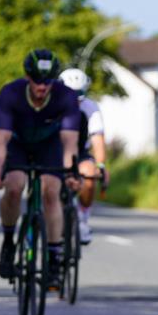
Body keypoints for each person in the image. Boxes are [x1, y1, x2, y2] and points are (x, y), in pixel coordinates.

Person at [0, 49, 79, 289]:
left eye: (47, 81)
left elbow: (69, 143)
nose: (42, 87)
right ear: (28, 78)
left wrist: (71, 173)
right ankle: (8, 243)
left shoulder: (65, 97)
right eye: (37, 81)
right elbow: (0, 141)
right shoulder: (11, 94)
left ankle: (53, 256)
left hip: (48, 146)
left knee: (51, 191)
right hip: (17, 144)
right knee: (14, 186)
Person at [58, 67, 107, 245]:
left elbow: (98, 140)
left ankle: (83, 219)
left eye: (79, 94)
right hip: (55, 151)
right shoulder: (51, 104)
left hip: (80, 152)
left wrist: (101, 166)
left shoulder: (90, 108)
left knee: (89, 174)